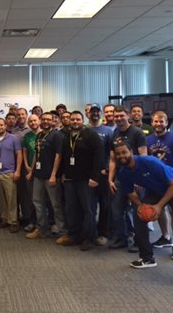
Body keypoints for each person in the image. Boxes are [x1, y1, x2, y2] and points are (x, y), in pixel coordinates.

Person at [114, 140, 173, 268]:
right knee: (138, 216)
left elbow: (172, 184)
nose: (121, 156)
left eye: (124, 152)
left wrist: (158, 206)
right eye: (118, 154)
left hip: (171, 186)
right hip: (155, 191)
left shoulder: (148, 162)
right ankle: (147, 258)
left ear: (131, 152)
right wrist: (140, 205)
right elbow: (129, 192)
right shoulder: (123, 173)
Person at [56, 111, 103, 251]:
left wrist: (95, 177)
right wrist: (63, 173)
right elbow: (64, 156)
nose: (75, 122)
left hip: (86, 180)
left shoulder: (91, 135)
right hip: (70, 179)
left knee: (88, 209)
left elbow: (99, 156)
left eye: (78, 119)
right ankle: (74, 235)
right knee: (71, 209)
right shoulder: (66, 136)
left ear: (83, 120)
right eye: (73, 119)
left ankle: (89, 238)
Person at [108, 106, 147, 250]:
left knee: (138, 211)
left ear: (128, 116)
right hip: (120, 178)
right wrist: (110, 179)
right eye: (116, 116)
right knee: (116, 210)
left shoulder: (137, 133)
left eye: (121, 115)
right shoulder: (114, 134)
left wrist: (139, 179)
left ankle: (139, 241)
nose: (118, 118)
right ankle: (122, 238)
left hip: (136, 178)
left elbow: (143, 156)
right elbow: (112, 159)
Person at [26, 112, 66, 240]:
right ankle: (41, 228)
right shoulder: (39, 136)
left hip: (51, 176)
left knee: (56, 204)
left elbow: (58, 156)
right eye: (44, 119)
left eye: (49, 119)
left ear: (53, 121)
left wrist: (54, 174)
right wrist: (31, 172)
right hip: (38, 175)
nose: (46, 121)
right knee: (37, 202)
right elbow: (36, 156)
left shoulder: (57, 136)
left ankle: (63, 231)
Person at [146, 111, 173, 249]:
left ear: (166, 122)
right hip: (156, 181)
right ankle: (166, 237)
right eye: (156, 121)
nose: (158, 124)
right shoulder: (148, 140)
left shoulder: (172, 137)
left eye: (161, 121)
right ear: (152, 123)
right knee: (160, 208)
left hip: (171, 179)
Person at [87, 103, 113, 246]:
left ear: (100, 114)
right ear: (88, 114)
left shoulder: (108, 131)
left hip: (103, 174)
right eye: (93, 112)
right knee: (89, 206)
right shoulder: (84, 130)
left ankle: (103, 233)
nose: (95, 114)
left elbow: (112, 152)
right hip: (88, 175)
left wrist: (107, 169)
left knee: (105, 205)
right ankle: (90, 233)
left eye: (97, 112)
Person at [22, 114, 40, 232]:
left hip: (41, 171)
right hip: (29, 171)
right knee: (31, 198)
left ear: (39, 121)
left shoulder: (44, 134)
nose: (33, 123)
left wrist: (32, 169)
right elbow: (24, 152)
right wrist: (27, 166)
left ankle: (43, 223)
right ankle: (32, 222)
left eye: (35, 120)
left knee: (42, 200)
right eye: (30, 121)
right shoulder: (27, 136)